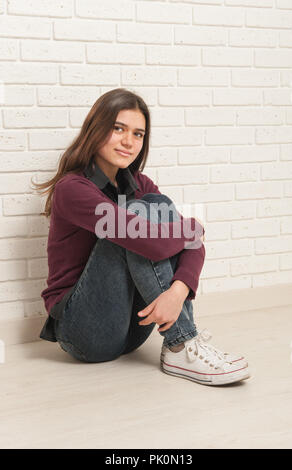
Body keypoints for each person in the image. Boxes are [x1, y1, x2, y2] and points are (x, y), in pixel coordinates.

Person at [33, 88, 250, 386]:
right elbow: (158, 242)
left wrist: (177, 293)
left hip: (136, 327)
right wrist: (193, 228)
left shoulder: (140, 183)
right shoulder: (73, 189)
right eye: (118, 129)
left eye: (138, 134)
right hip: (84, 331)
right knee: (141, 215)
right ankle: (181, 344)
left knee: (154, 206)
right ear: (96, 129)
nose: (128, 141)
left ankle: (181, 343)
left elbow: (190, 247)